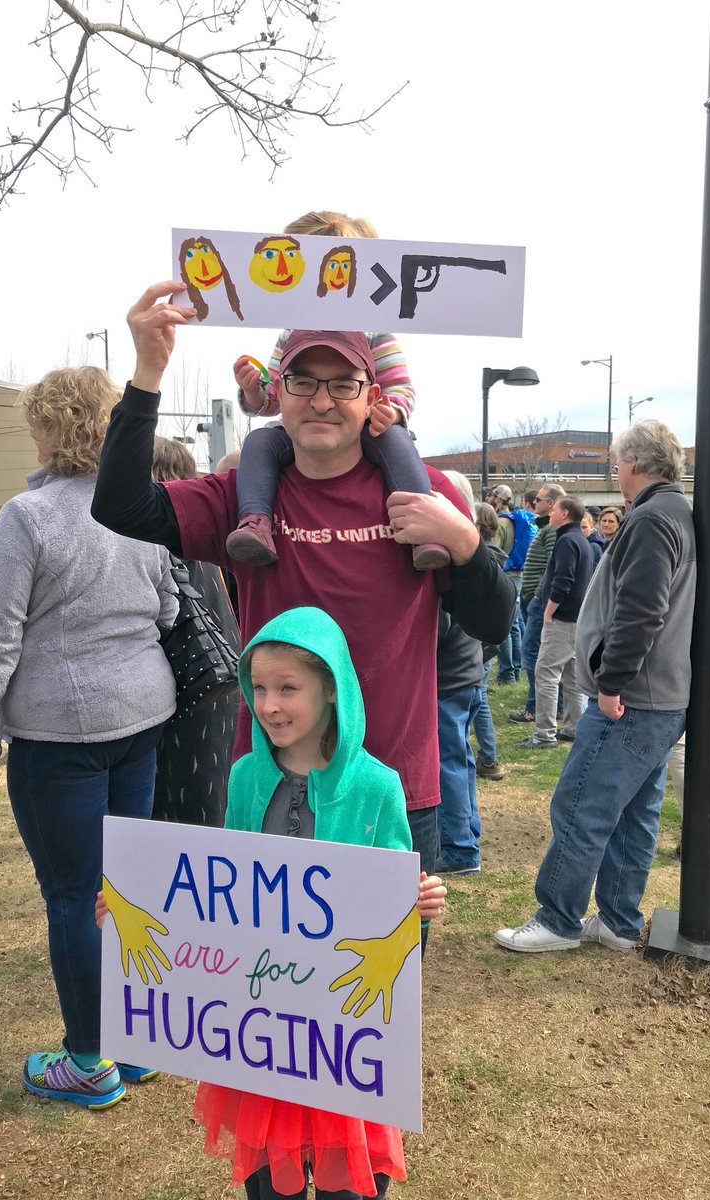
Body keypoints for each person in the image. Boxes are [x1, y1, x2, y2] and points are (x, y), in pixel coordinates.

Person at [92, 284, 515, 913]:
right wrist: (149, 371)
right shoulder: (246, 497)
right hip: (271, 782)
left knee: (373, 991)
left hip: (392, 785)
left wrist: (463, 543)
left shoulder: (419, 494)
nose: (322, 400)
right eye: (303, 381)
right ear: (276, 392)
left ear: (373, 395)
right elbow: (121, 505)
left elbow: (492, 621)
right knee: (265, 986)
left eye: (343, 384)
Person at [97, 607, 446, 1198]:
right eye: (258, 687)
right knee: (269, 1181)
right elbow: (220, 892)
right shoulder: (244, 779)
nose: (269, 705)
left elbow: (392, 919)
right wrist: (136, 904)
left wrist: (415, 905)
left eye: (289, 688)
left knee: (348, 1183)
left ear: (332, 690)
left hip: (339, 1033)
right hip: (265, 1033)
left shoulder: (377, 787)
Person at [0, 367, 178, 1108]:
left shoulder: (28, 516)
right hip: (142, 715)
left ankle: (89, 1060)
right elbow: (171, 606)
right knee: (128, 890)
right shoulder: (142, 507)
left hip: (60, 733)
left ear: (46, 426)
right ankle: (140, 1041)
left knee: (74, 893)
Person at [495, 420, 695, 954]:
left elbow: (641, 609)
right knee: (634, 812)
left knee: (580, 803)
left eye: (615, 461)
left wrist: (611, 681)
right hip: (659, 695)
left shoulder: (653, 518)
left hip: (633, 697)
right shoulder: (677, 513)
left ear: (634, 463)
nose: (614, 469)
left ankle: (558, 919)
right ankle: (617, 921)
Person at [227, 210, 447, 572]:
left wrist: (390, 411)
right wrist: (253, 392)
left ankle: (425, 531)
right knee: (259, 442)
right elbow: (276, 395)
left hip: (367, 428)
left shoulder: (375, 329)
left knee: (397, 443)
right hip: (304, 430)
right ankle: (256, 521)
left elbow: (401, 386)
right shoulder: (290, 333)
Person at [151, 436, 241, 827]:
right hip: (222, 681)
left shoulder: (155, 537)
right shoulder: (204, 533)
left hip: (187, 687)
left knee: (182, 803)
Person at [434, 474, 492, 875]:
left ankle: (459, 847)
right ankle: (467, 831)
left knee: (449, 761)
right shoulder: (472, 551)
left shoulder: (449, 556)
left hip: (449, 677)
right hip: (468, 673)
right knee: (461, 759)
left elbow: (436, 628)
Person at [519, 497, 593, 749]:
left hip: (561, 620)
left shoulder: (566, 541)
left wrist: (549, 611)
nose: (550, 513)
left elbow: (563, 579)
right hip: (577, 620)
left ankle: (544, 734)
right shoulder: (581, 540)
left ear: (565, 514)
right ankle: (574, 728)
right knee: (573, 678)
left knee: (546, 674)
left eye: (554, 509)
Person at [511, 483, 567, 725]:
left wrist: (536, 595)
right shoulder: (545, 527)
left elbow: (553, 566)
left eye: (539, 500)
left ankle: (537, 707)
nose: (534, 503)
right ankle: (554, 705)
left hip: (539, 601)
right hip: (535, 599)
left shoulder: (554, 530)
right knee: (540, 654)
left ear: (552, 503)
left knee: (533, 653)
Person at [470, 502, 504, 782]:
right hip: (482, 648)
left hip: (478, 648)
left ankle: (489, 758)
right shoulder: (495, 556)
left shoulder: (484, 560)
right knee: (478, 701)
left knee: (478, 702)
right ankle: (488, 757)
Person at [491, 484, 534, 683]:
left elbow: (495, 551)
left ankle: (506, 673)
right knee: (515, 624)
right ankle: (517, 669)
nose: (489, 498)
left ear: (498, 499)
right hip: (518, 573)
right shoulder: (517, 520)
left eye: (492, 495)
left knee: (504, 625)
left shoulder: (500, 522)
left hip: (505, 574)